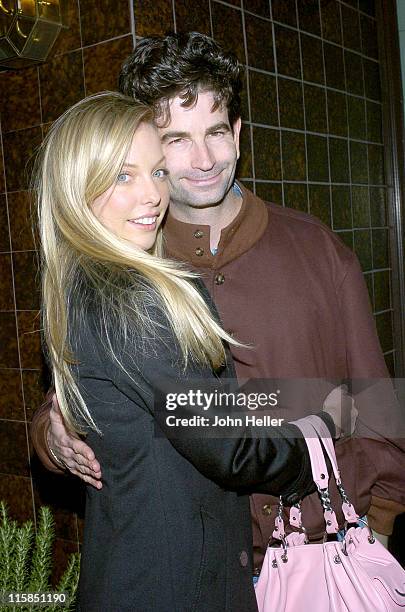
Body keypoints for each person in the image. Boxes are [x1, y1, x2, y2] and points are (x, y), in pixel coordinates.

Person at [31, 33, 405, 572]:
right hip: (195, 571)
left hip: (321, 557)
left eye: (215, 132)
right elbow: (80, 384)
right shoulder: (121, 269)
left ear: (237, 134)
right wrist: (54, 428)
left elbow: (376, 404)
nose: (204, 159)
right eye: (176, 140)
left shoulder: (318, 249)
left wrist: (380, 529)